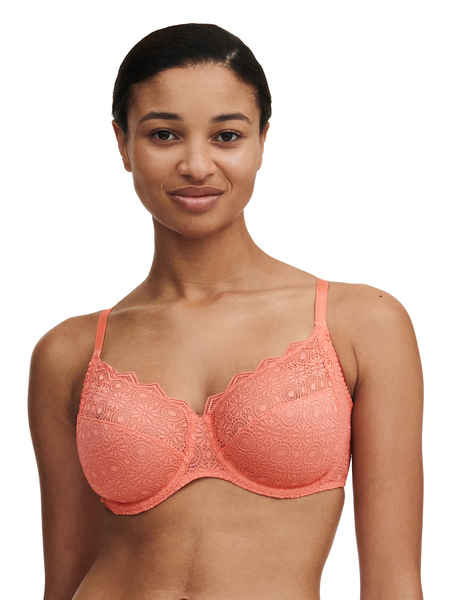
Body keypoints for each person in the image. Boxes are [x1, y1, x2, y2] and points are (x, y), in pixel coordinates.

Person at [28, 23, 424, 600]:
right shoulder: (68, 352)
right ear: (122, 144)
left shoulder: (361, 324)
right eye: (163, 134)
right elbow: (62, 583)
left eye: (227, 136)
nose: (196, 164)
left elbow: (393, 582)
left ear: (262, 141)